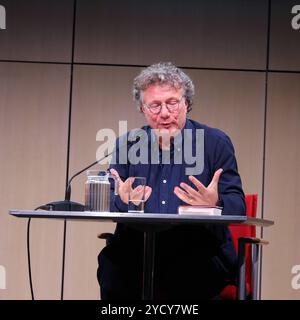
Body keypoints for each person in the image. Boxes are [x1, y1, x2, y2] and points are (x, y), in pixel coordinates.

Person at [97, 62, 245, 300]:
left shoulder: (215, 142)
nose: (164, 113)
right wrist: (120, 200)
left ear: (186, 103)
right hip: (137, 247)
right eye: (154, 105)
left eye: (172, 103)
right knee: (113, 268)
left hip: (195, 248)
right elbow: (109, 203)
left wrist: (215, 202)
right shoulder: (128, 144)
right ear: (143, 110)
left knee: (183, 275)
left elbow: (238, 206)